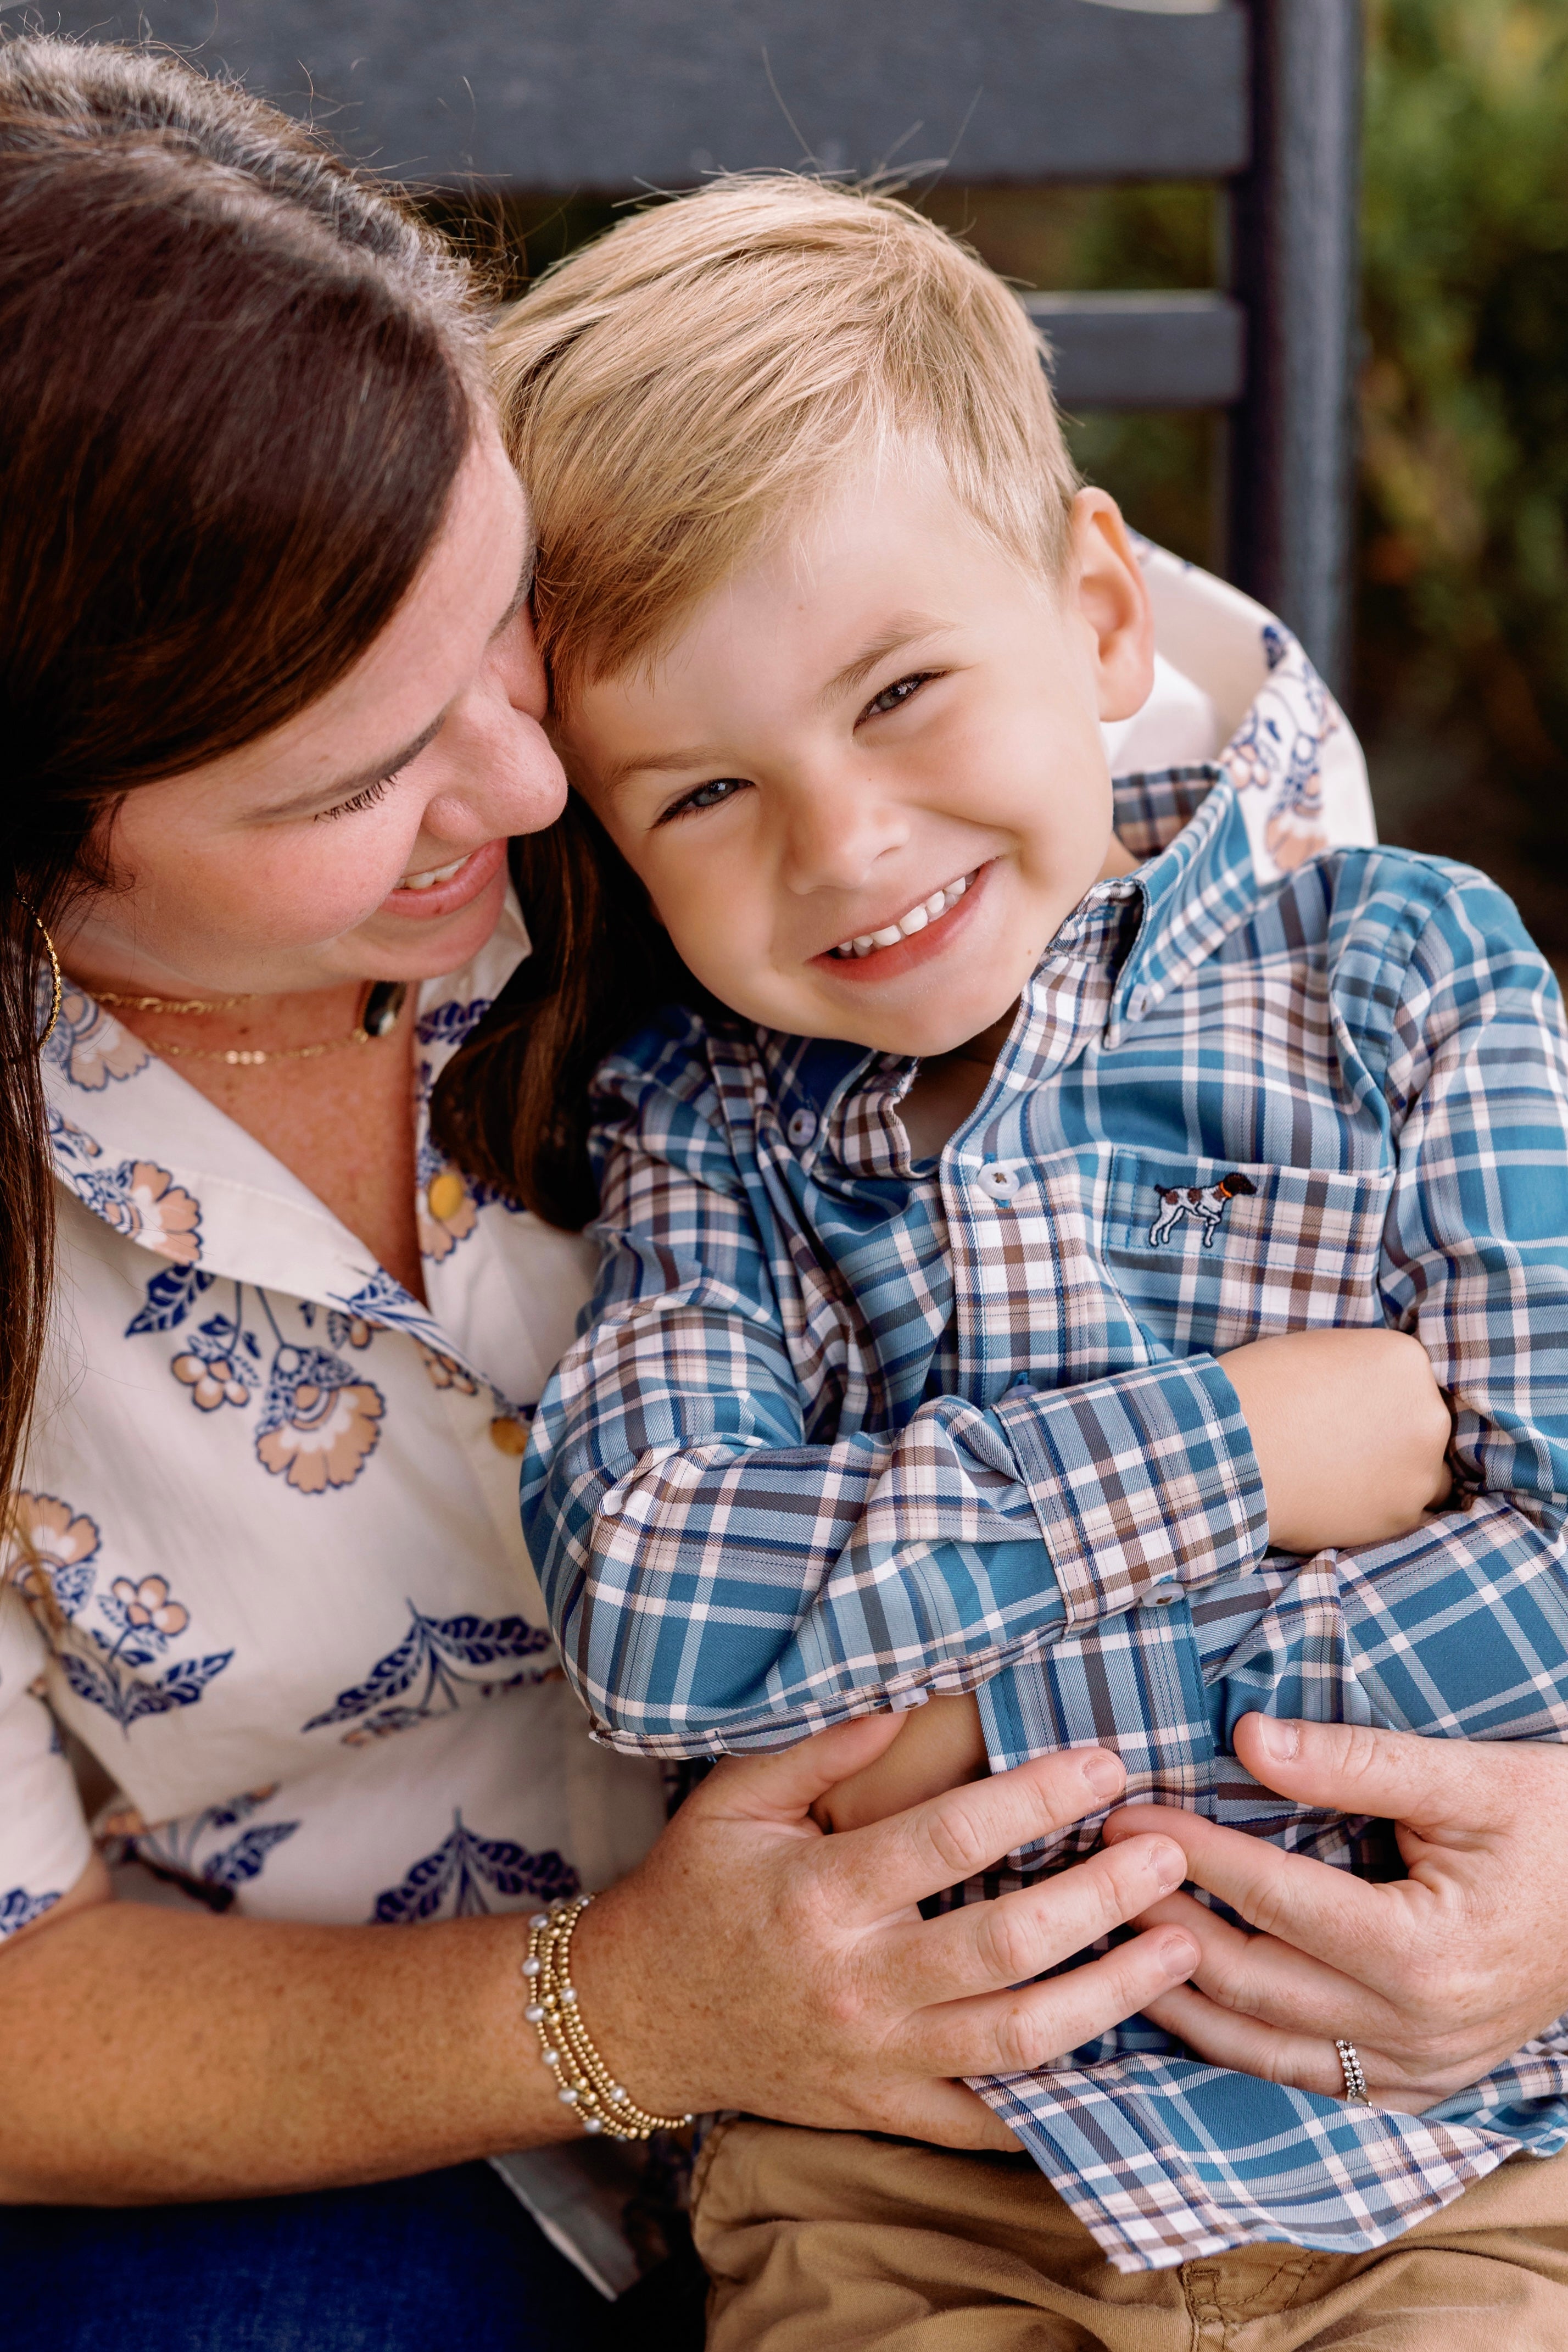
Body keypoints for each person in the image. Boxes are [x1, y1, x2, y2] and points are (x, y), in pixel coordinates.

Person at [0, 44, 1221, 2350]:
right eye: (365, 774)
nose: (543, 773)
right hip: (386, 2110)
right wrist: (632, 2016)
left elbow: (1451, 1229)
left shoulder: (836, 741)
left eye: (500, 612)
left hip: (1192, 1991)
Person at [499, 180, 1568, 2340]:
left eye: (902, 691)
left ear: (1099, 619)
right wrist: (1243, 1463)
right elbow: (655, 1607)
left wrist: (957, 1727)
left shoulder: (1410, 986)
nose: (846, 842)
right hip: (909, 2167)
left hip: (1439, 2140)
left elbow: (1554, 1577)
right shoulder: (701, 1133)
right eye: (703, 792)